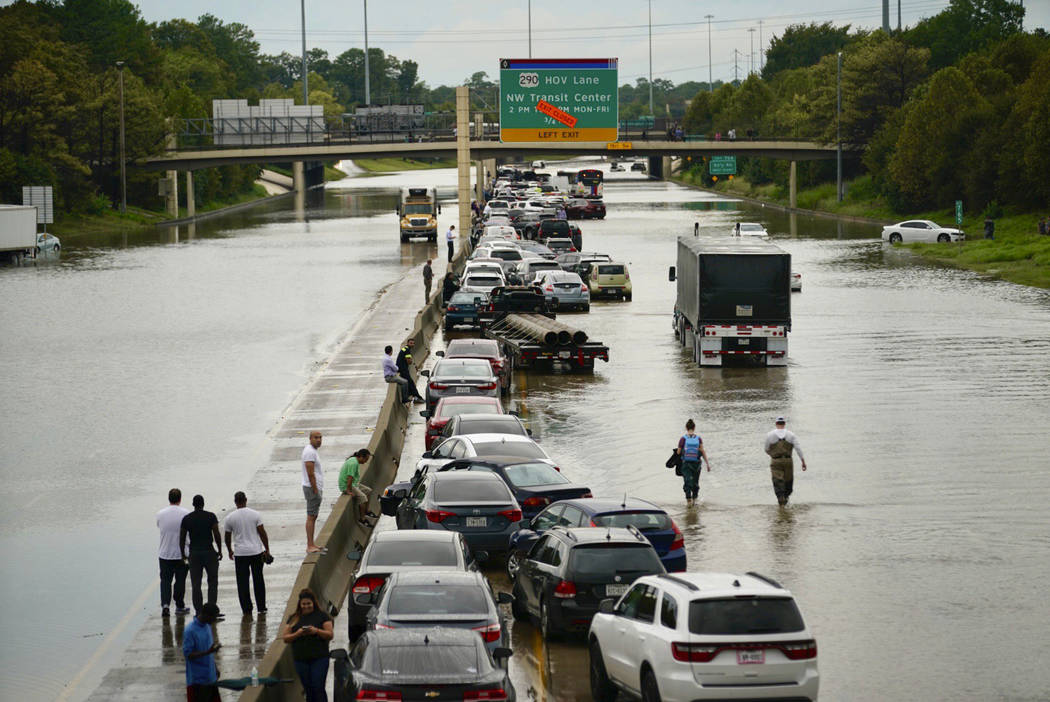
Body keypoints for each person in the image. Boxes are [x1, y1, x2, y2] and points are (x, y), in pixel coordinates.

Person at [222, 491, 270, 616]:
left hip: (240, 554)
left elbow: (227, 537)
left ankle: (247, 608)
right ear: (246, 500)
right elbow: (262, 533)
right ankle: (261, 607)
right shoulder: (255, 514)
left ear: (235, 502)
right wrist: (267, 549)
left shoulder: (230, 517)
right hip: (256, 552)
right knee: (258, 579)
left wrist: (229, 550)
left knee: (242, 582)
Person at [282, 588, 334, 702]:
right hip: (300, 660)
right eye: (303, 604)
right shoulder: (294, 618)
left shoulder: (322, 616)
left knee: (318, 687)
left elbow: (330, 635)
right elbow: (285, 638)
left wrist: (316, 631)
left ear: (313, 603)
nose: (306, 606)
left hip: (319, 658)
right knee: (308, 689)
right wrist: (298, 633)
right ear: (299, 604)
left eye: (308, 603)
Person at [180, 495, 223, 619]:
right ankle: (212, 610)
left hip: (194, 554)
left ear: (193, 504)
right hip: (209, 552)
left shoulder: (187, 519)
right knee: (213, 582)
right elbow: (216, 534)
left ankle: (199, 612)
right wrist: (219, 550)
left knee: (196, 584)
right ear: (203, 504)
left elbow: (182, 537)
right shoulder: (211, 516)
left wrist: (182, 554)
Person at [157, 488, 190, 618]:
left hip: (164, 553)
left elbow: (160, 526)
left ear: (168, 498)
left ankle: (165, 605)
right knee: (180, 580)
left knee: (165, 580)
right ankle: (179, 605)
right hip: (182, 553)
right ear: (180, 499)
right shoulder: (186, 513)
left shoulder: (160, 513)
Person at [764, 416, 807, 506]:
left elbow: (766, 449)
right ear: (784, 424)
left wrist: (773, 455)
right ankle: (786, 498)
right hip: (788, 460)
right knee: (788, 481)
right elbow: (798, 448)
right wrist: (803, 461)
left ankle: (781, 500)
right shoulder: (791, 435)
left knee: (777, 480)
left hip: (775, 461)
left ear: (776, 424)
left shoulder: (770, 435)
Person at [183, 602, 222, 701]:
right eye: (213, 617)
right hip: (197, 682)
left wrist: (215, 668)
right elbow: (188, 655)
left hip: (210, 678)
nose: (214, 620)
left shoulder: (207, 627)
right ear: (206, 615)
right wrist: (207, 652)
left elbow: (210, 650)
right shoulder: (190, 631)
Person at [675, 419, 711, 505]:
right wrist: (707, 464)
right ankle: (695, 500)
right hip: (697, 464)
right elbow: (702, 451)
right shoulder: (699, 439)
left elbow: (679, 452)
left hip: (686, 464)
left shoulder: (683, 439)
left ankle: (689, 502)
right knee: (695, 482)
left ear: (686, 428)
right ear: (694, 428)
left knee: (687, 482)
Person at [339, 449, 378, 527]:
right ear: (361, 457)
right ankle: (362, 519)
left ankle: (366, 511)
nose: (366, 462)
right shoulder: (353, 463)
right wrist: (348, 491)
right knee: (363, 498)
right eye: (366, 459)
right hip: (346, 485)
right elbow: (349, 478)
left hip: (354, 483)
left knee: (368, 491)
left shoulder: (354, 460)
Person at [301, 431, 325, 554]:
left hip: (313, 487)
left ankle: (312, 543)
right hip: (311, 488)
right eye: (316, 438)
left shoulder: (312, 451)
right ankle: (310, 545)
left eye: (320, 438)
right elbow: (310, 473)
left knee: (313, 516)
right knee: (311, 516)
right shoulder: (309, 452)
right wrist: (315, 489)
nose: (319, 440)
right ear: (310, 438)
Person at [396, 338, 425, 403]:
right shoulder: (407, 350)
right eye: (411, 343)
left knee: (409, 383)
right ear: (407, 343)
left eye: (413, 343)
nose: (412, 344)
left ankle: (412, 396)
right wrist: (411, 361)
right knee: (411, 383)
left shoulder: (405, 349)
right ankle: (418, 397)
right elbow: (409, 361)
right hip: (403, 369)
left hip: (400, 368)